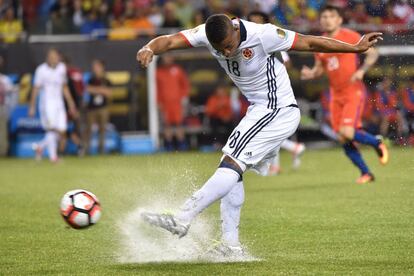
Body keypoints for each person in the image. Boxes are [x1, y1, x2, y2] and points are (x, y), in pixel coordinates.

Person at [136, 13, 382, 256]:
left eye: (229, 46)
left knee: (231, 163)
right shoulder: (207, 33)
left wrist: (354, 48)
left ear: (234, 30)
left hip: (277, 110)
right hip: (261, 110)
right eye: (219, 50)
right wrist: (149, 47)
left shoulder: (263, 35)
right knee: (233, 170)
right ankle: (230, 247)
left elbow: (309, 42)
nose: (225, 53)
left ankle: (183, 217)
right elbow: (168, 41)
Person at [300, 5, 388, 184]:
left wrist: (362, 70)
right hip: (335, 95)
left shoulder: (350, 36)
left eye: (331, 16)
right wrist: (311, 73)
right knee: (342, 137)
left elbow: (373, 53)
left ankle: (376, 142)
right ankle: (366, 173)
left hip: (352, 90)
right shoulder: (319, 43)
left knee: (347, 132)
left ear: (339, 20)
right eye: (324, 16)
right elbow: (319, 70)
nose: (326, 19)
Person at [247, 11, 305, 175]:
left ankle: (289, 151)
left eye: (258, 22)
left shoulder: (271, 38)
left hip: (274, 92)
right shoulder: (249, 41)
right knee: (269, 129)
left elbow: (287, 63)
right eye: (252, 22)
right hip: (259, 92)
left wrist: (272, 72)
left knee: (269, 129)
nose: (255, 25)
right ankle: (283, 158)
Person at [29, 48, 78, 162]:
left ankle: (40, 147)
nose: (53, 58)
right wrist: (32, 106)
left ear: (58, 57)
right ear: (47, 57)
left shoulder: (62, 68)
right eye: (51, 56)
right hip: (46, 104)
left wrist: (71, 103)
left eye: (55, 56)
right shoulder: (41, 70)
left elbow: (64, 87)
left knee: (62, 130)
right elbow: (35, 89)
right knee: (51, 129)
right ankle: (53, 157)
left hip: (59, 103)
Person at [156, 54, 190, 151]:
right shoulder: (158, 72)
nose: (168, 58)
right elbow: (157, 89)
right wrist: (158, 102)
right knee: (167, 124)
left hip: (177, 103)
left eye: (169, 56)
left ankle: (182, 145)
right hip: (165, 103)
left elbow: (185, 85)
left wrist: (184, 98)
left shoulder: (178, 70)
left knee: (179, 124)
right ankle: (169, 146)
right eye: (166, 57)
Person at [84, 59, 112, 154]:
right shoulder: (91, 79)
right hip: (91, 108)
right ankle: (86, 150)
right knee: (89, 130)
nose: (95, 69)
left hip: (103, 108)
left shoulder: (106, 80)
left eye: (97, 66)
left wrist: (96, 90)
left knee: (102, 130)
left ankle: (101, 150)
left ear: (102, 67)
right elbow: (88, 89)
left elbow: (109, 93)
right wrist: (101, 89)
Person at [205, 84, 234, 149]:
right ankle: (217, 143)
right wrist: (218, 106)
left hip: (225, 119)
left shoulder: (227, 98)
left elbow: (230, 110)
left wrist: (227, 116)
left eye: (222, 90)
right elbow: (209, 112)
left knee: (232, 126)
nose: (220, 92)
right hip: (215, 118)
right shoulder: (212, 99)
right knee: (214, 125)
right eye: (219, 90)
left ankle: (230, 143)